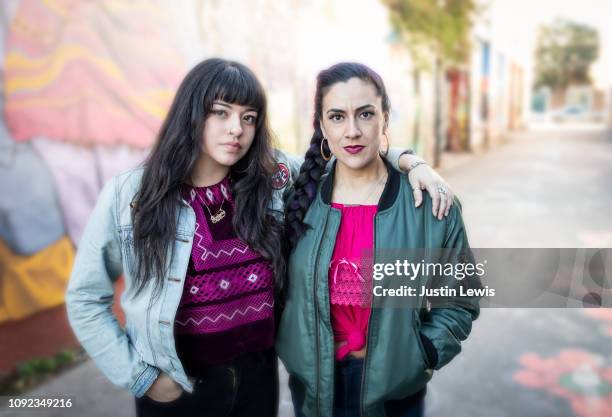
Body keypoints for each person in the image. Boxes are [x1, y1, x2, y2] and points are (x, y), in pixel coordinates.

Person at [66, 58, 457, 417]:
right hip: (179, 385)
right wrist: (141, 377)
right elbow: (85, 298)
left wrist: (409, 161)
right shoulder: (132, 197)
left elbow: (350, 151)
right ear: (190, 113)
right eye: (220, 113)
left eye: (248, 117)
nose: (236, 129)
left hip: (257, 381)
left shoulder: (273, 179)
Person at [277, 62, 480, 417]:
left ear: (385, 117)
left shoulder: (429, 203)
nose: (352, 131)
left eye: (366, 114)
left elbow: (458, 301)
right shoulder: (296, 197)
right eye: (337, 117)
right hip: (313, 389)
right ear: (322, 125)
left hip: (395, 392)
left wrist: (423, 355)